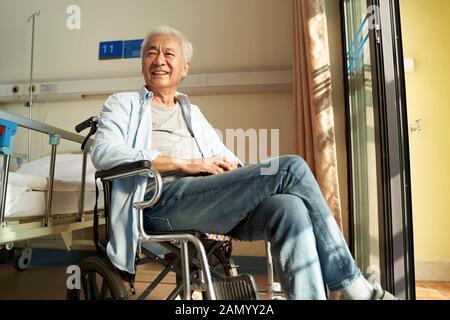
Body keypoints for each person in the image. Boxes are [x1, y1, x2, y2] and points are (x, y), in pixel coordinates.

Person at [91, 26, 396, 300]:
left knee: (289, 207)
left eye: (169, 54)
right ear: (142, 64)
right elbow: (103, 153)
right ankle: (357, 289)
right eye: (151, 53)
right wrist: (183, 164)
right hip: (159, 201)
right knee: (291, 167)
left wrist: (242, 175)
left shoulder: (191, 112)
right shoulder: (122, 104)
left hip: (208, 199)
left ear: (184, 68)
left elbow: (223, 155)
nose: (159, 60)